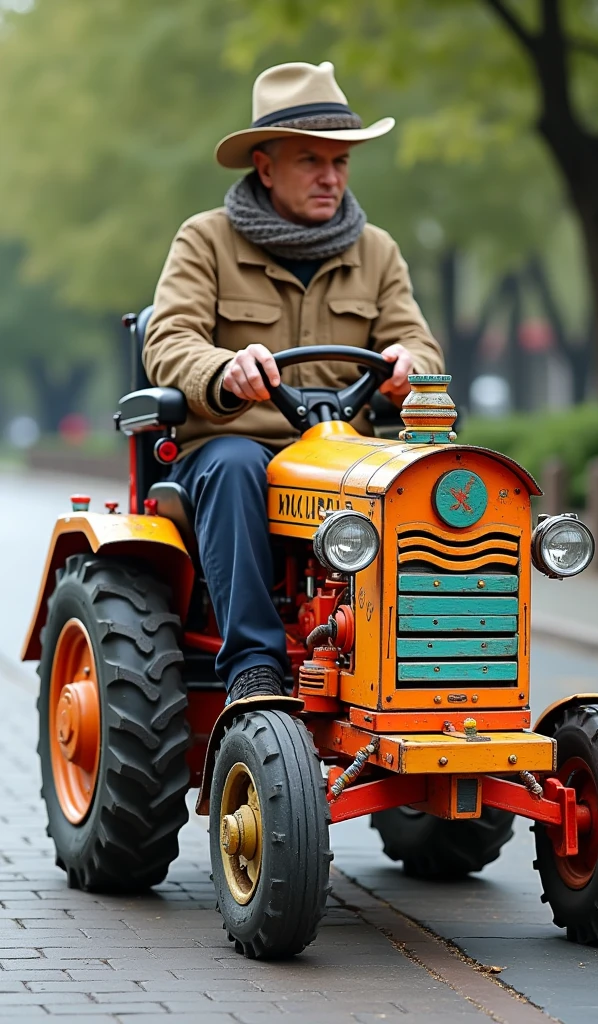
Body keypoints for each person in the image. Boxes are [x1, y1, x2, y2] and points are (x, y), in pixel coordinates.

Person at [144, 60, 445, 703]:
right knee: (231, 464)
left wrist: (409, 367)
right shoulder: (206, 240)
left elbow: (417, 342)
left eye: (340, 162)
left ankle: (426, 672)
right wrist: (224, 370)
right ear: (266, 166)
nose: (330, 177)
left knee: (431, 478)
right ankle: (254, 668)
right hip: (232, 447)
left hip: (346, 456)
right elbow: (168, 342)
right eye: (312, 161)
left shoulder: (378, 251)